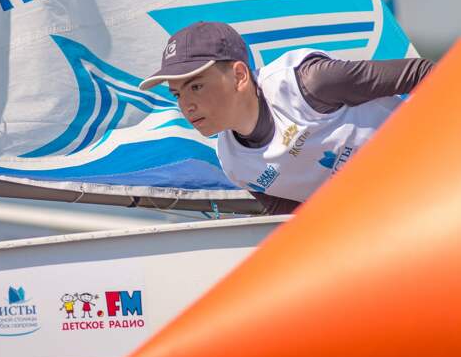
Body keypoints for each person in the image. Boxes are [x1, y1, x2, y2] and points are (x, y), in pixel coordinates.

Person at [139, 22, 434, 215]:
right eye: (177, 94)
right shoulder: (234, 164)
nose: (186, 105)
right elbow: (299, 227)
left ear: (239, 75)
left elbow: (423, 73)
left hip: (433, 161)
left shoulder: (309, 83)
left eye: (196, 87)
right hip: (400, 209)